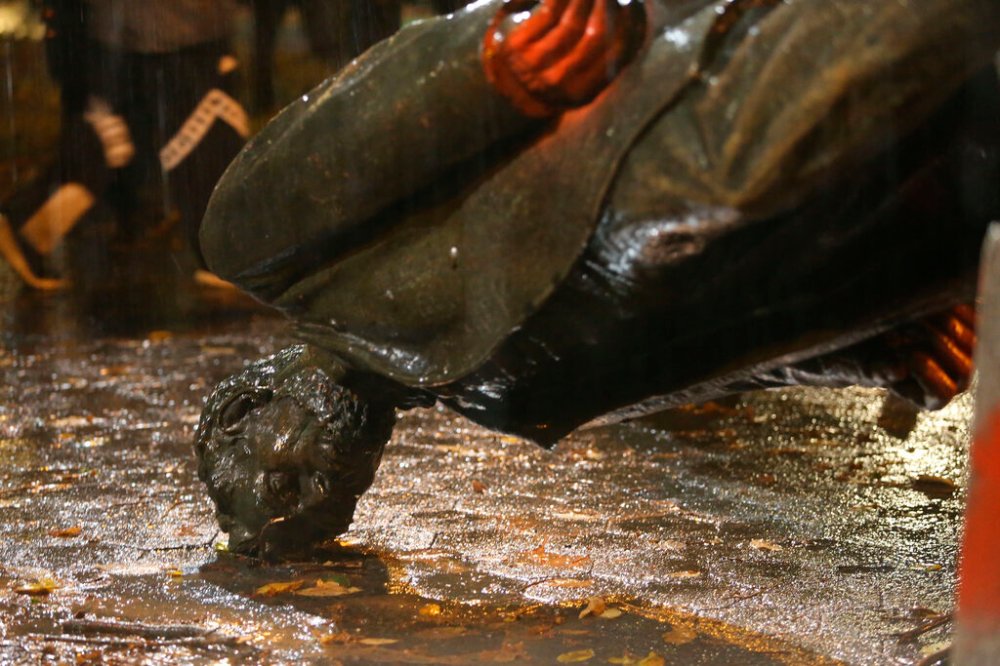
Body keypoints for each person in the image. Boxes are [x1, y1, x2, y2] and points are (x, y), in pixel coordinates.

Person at [0, 0, 249, 290]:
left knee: (118, 139)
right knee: (205, 131)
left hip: (141, 32)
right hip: (166, 31)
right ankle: (226, 254)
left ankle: (27, 225)